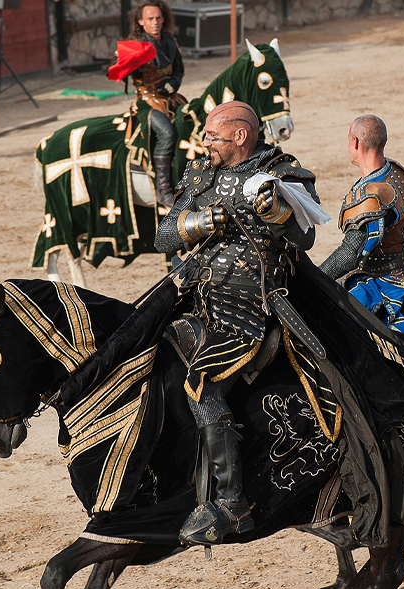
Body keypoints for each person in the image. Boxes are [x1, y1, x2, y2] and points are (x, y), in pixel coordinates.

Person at [155, 101, 320, 546]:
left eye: (213, 137)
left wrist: (278, 214)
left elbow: (306, 236)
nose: (205, 144)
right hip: (198, 296)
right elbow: (163, 236)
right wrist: (199, 222)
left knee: (204, 383)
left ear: (241, 137)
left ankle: (231, 502)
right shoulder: (199, 174)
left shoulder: (281, 172)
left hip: (250, 308)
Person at [319, 115, 404, 325]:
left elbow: (349, 254)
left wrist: (317, 277)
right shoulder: (398, 175)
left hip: (384, 283)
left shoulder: (369, 195)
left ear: (355, 142)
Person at [128, 0, 185, 207]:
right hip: (147, 102)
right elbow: (119, 69)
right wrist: (123, 62)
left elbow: (178, 70)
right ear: (141, 21)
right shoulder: (136, 46)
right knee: (167, 132)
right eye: (150, 19)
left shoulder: (170, 41)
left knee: (193, 121)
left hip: (171, 98)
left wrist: (173, 84)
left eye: (158, 18)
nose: (155, 22)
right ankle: (163, 190)